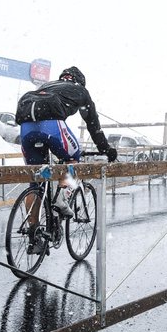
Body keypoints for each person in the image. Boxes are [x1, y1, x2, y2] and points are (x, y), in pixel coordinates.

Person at [15, 66, 117, 251]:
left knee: (36, 181)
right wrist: (106, 149)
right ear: (80, 81)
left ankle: (34, 234)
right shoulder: (81, 91)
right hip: (51, 126)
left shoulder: (47, 86)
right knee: (73, 158)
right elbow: (93, 126)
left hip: (26, 129)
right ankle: (62, 198)